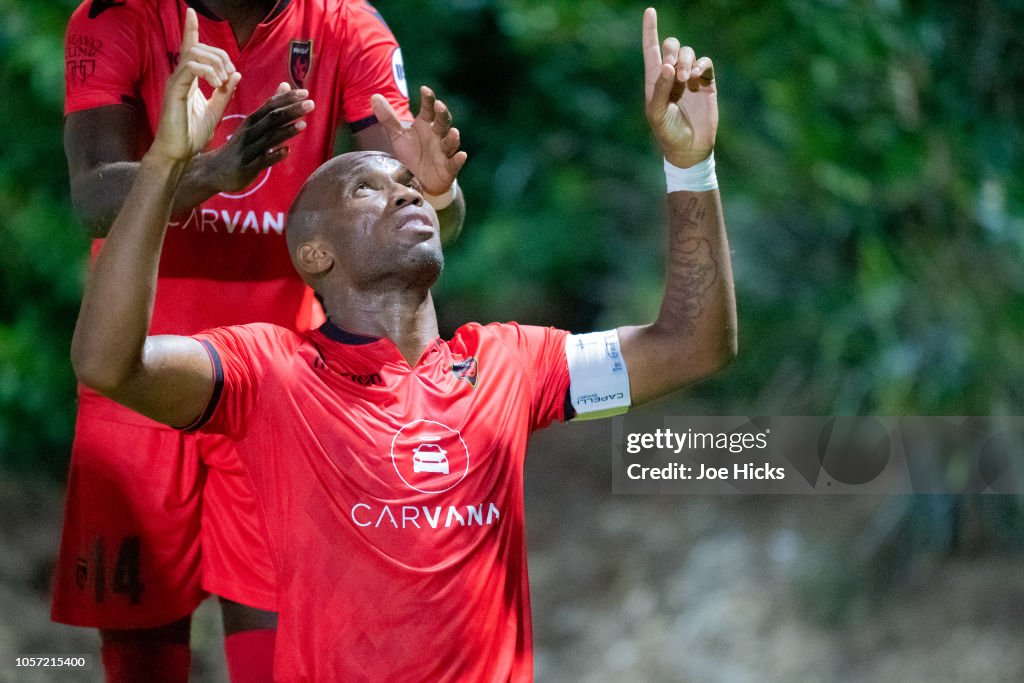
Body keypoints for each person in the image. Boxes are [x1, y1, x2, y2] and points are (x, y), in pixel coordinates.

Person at [71, 6, 735, 680]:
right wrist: (170, 167)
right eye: (368, 187)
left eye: (411, 187)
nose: (406, 195)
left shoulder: (509, 366)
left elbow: (692, 345)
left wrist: (691, 166)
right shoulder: (281, 380)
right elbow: (108, 362)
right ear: (316, 253)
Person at [54, 1, 464, 680]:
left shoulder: (346, 25)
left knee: (280, 658)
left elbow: (419, 220)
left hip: (280, 388)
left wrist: (443, 195)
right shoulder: (115, 16)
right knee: (141, 660)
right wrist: (210, 172)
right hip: (137, 374)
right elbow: (93, 196)